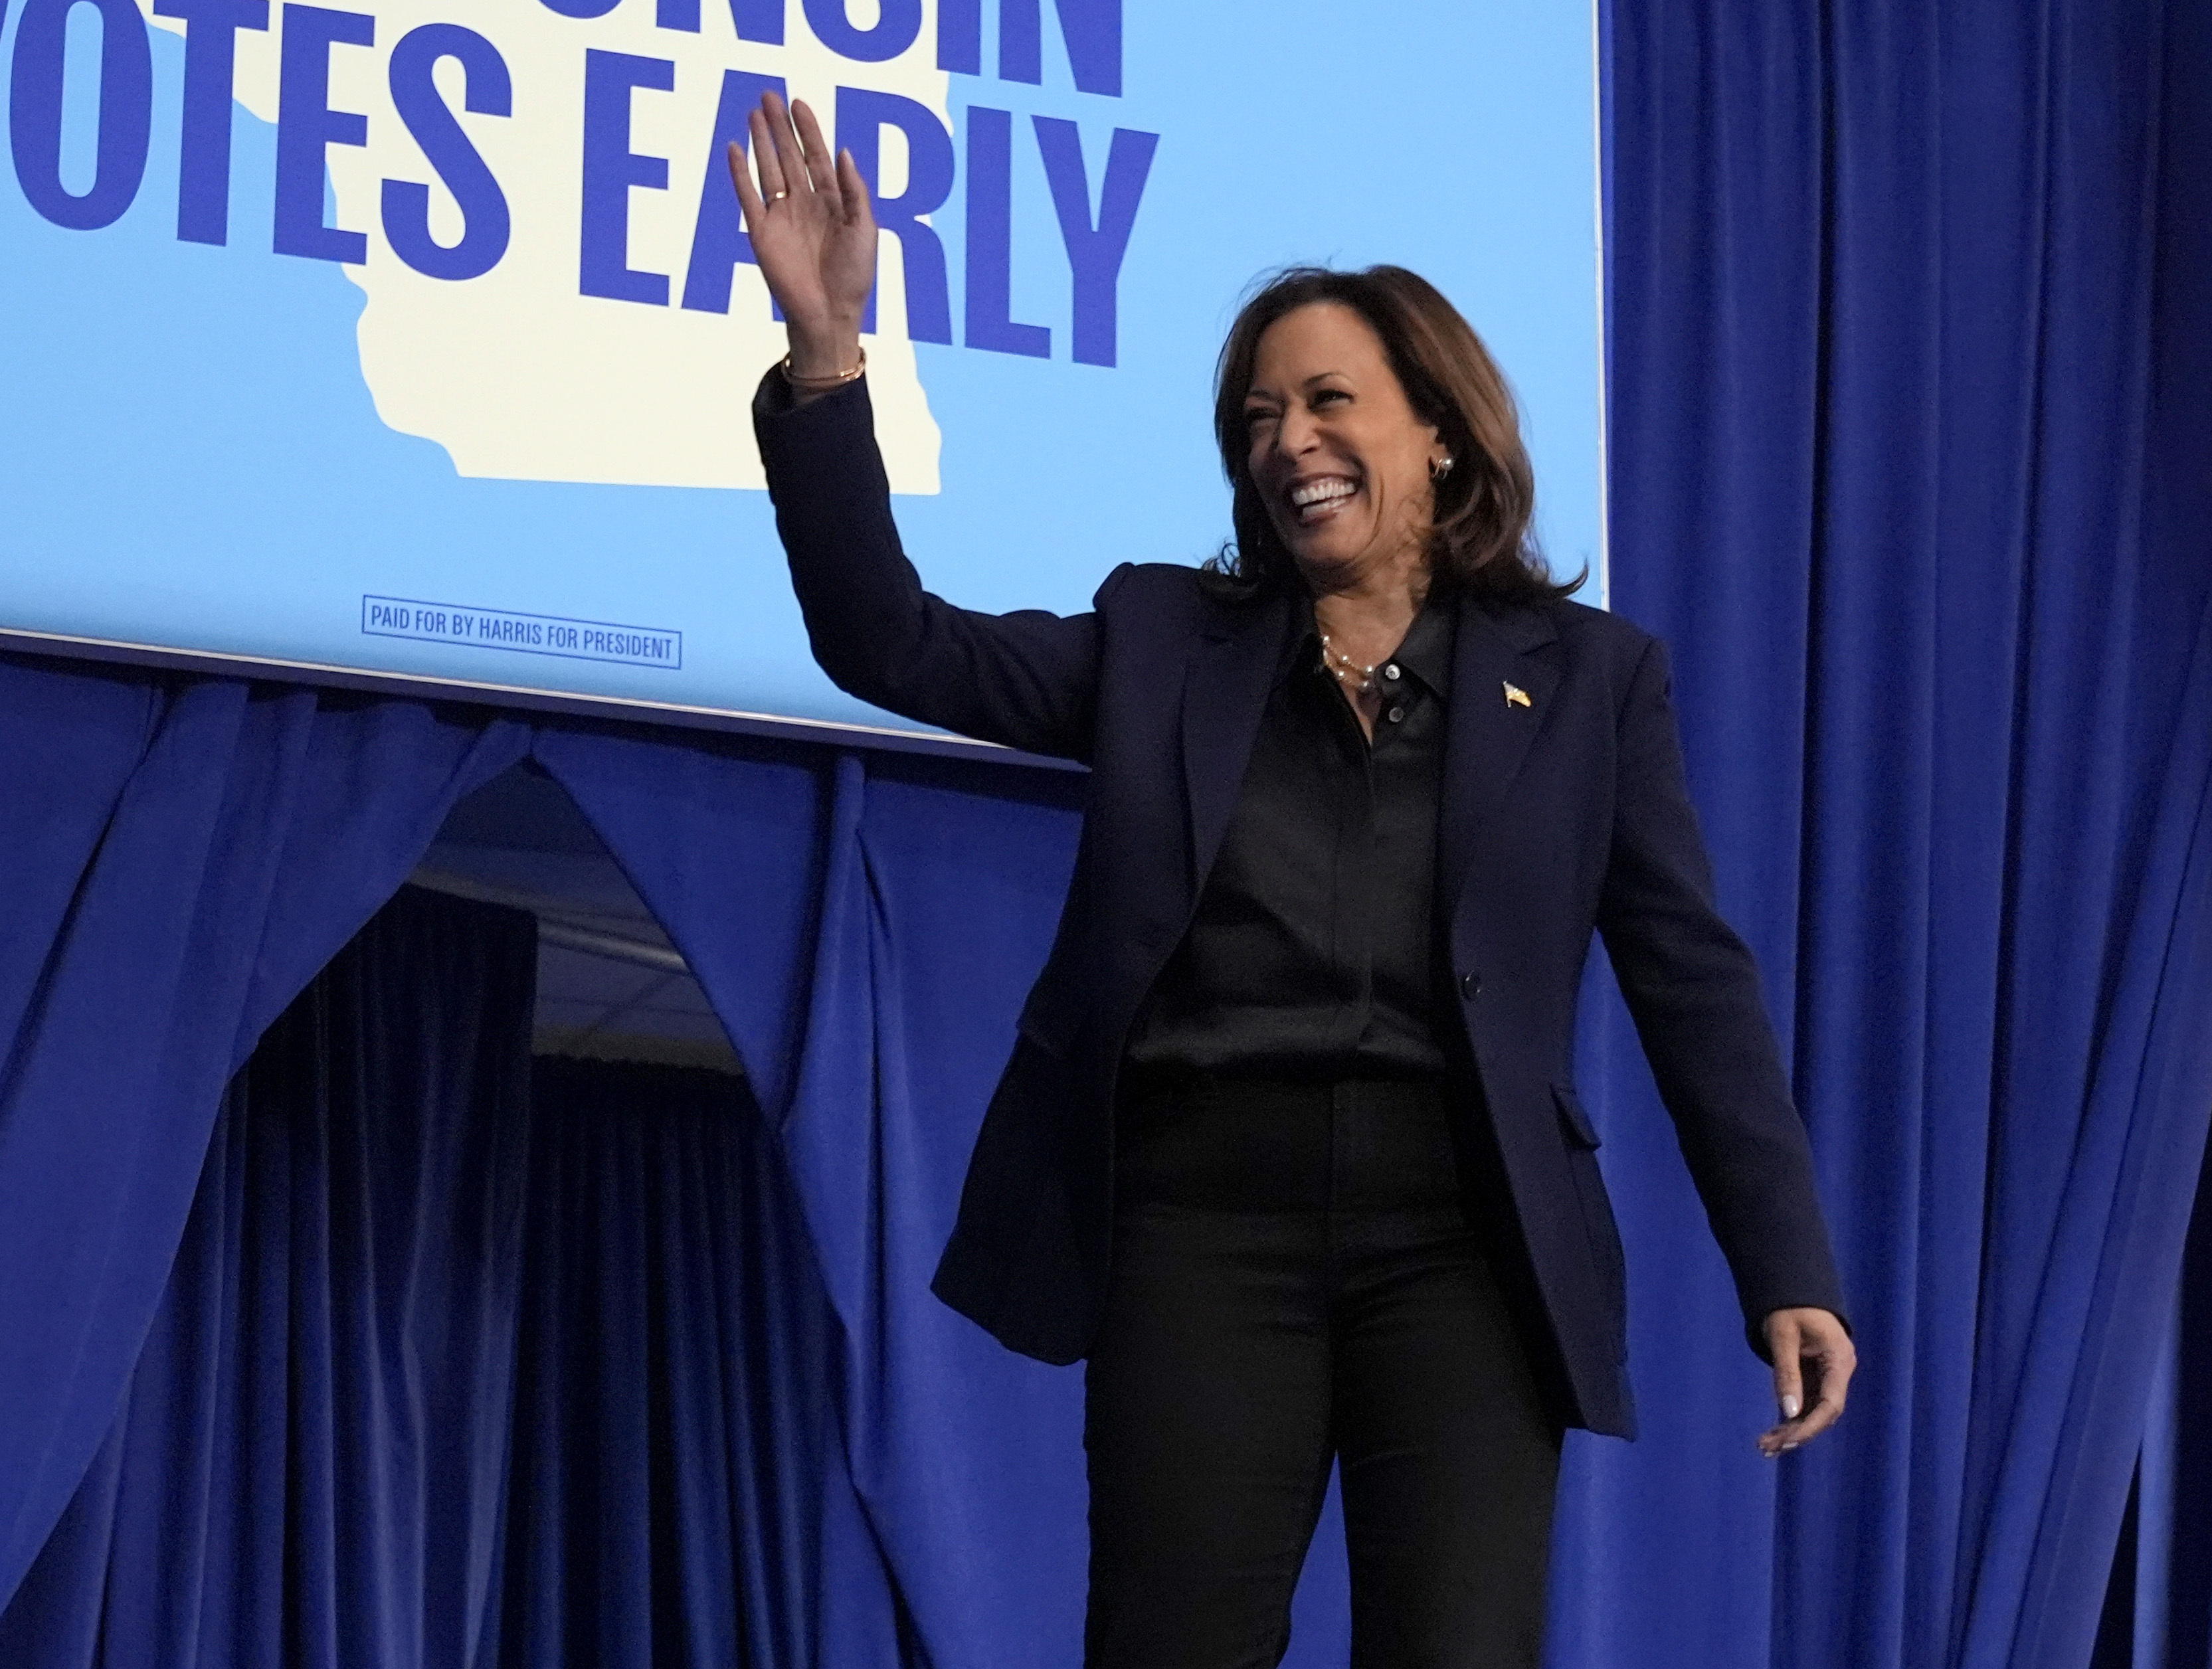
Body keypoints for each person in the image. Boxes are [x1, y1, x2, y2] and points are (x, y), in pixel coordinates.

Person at [726, 92, 1854, 1669]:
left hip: (1463, 1245)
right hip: (1203, 1232)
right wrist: (830, 361)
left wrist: (1785, 1264)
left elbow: (1692, 982)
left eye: (1329, 402)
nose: (1288, 444)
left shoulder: (1590, 682)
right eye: (1258, 420)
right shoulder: (1160, 643)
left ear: (1440, 428)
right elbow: (889, 642)